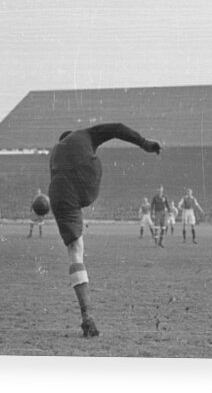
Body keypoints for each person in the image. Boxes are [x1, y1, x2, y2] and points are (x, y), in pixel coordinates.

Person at [48, 123, 161, 338]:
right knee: (91, 167)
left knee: (75, 249)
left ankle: (87, 317)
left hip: (60, 190)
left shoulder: (55, 152)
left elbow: (55, 184)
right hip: (87, 178)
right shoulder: (85, 134)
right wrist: (145, 143)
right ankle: (87, 320)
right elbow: (118, 128)